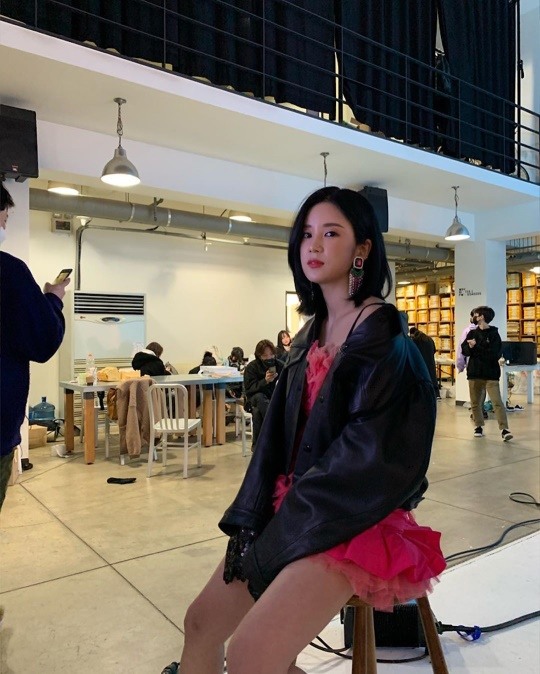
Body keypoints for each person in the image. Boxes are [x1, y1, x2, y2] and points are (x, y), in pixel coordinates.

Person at [160, 186, 445, 674]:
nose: (313, 244)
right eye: (307, 234)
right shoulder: (310, 333)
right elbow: (274, 443)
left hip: (351, 519)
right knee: (201, 623)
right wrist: (252, 516)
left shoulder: (384, 341)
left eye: (331, 233)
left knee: (251, 653)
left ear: (361, 248)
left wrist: (285, 529)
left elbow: (372, 464)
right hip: (290, 507)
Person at [0, 183, 69, 511]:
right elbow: (42, 340)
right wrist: (52, 300)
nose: (4, 226)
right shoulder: (9, 272)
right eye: (4, 219)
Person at [461, 306, 513, 441]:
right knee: (475, 402)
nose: (474, 317)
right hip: (474, 373)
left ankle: (504, 429)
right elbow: (464, 351)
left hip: (491, 374)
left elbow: (494, 354)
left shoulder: (494, 334)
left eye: (476, 314)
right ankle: (478, 426)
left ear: (482, 317)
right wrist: (470, 346)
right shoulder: (472, 333)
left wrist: (476, 346)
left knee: (497, 402)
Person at [243, 339, 283, 450]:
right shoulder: (252, 367)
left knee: (257, 413)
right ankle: (274, 428)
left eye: (271, 354)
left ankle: (257, 448)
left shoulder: (280, 365)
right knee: (260, 397)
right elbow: (249, 390)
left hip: (272, 399)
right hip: (254, 399)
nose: (269, 358)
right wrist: (265, 381)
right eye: (265, 356)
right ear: (259, 356)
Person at [409, 326, 440, 399]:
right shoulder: (429, 339)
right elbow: (434, 350)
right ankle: (436, 394)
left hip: (421, 364)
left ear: (412, 334)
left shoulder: (415, 340)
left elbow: (413, 352)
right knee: (433, 378)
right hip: (431, 363)